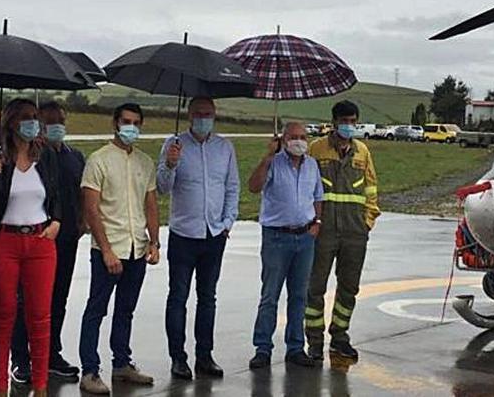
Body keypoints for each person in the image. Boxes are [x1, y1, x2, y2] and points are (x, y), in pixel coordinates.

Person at [0, 99, 62, 397]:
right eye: (25, 118)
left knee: (39, 314)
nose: (32, 123)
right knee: (4, 314)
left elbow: (57, 193)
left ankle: (41, 385)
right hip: (3, 242)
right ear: (11, 122)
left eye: (35, 118)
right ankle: (0, 386)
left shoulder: (45, 155)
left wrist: (57, 221)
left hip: (39, 242)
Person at [78, 103, 159, 395]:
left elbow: (150, 204)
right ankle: (89, 370)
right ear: (115, 122)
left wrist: (154, 241)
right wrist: (106, 249)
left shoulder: (145, 162)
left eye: (136, 122)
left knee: (126, 310)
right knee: (96, 309)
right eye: (126, 121)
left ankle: (122, 364)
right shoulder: (98, 160)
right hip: (108, 250)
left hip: (137, 247)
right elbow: (91, 209)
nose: (131, 127)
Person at [156, 97, 238, 380]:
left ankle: (205, 355)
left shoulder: (224, 148)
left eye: (209, 114)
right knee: (178, 297)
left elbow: (232, 187)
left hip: (214, 235)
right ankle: (178, 358)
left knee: (208, 298)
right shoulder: (174, 144)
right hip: (183, 234)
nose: (204, 118)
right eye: (199, 114)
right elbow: (162, 188)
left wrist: (227, 222)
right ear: (189, 116)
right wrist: (170, 164)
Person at [9, 101, 85, 386]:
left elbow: (81, 193)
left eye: (60, 121)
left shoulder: (74, 156)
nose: (57, 126)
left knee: (58, 299)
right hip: (35, 238)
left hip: (66, 239)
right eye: (49, 121)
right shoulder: (31, 157)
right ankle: (21, 357)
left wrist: (81, 222)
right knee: (24, 301)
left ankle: (52, 353)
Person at [305, 100, 379, 364]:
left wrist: (367, 221)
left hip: (354, 232)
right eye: (344, 121)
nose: (349, 126)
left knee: (349, 287)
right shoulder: (316, 150)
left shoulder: (362, 152)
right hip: (323, 231)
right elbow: (307, 186)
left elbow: (371, 189)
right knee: (315, 287)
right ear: (334, 122)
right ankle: (314, 341)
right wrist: (312, 222)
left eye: (353, 121)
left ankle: (340, 337)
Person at [246, 122, 323, 370]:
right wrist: (268, 156)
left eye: (303, 137)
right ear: (283, 139)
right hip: (277, 238)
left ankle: (295, 347)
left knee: (299, 296)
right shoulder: (274, 163)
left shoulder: (312, 165)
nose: (299, 141)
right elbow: (254, 186)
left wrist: (317, 223)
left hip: (305, 237)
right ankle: (262, 348)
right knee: (270, 295)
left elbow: (318, 196)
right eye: (293, 137)